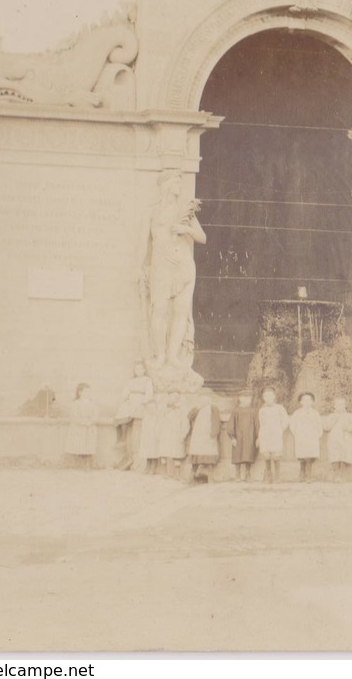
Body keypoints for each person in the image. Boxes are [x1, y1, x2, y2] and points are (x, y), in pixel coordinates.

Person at [139, 171, 206, 370]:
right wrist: (139, 268)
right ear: (166, 185)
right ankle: (159, 354)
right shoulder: (153, 211)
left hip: (184, 264)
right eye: (176, 183)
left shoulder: (185, 211)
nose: (179, 187)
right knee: (159, 309)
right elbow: (144, 242)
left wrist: (186, 230)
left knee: (180, 311)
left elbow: (202, 237)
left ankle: (172, 355)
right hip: (161, 264)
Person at [114, 360, 154, 471]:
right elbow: (125, 393)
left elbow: (149, 395)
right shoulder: (131, 381)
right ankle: (121, 438)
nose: (138, 371)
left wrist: (142, 403)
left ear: (144, 370)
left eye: (140, 369)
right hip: (131, 401)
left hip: (141, 402)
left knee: (137, 424)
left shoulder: (147, 381)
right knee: (122, 413)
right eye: (136, 369)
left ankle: (135, 459)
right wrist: (126, 400)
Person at [257, 386, 289, 484]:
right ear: (263, 398)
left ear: (274, 397)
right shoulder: (262, 410)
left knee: (276, 455)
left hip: (276, 434)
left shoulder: (279, 408)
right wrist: (260, 437)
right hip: (265, 434)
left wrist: (280, 429)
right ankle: (268, 475)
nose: (268, 398)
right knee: (266, 455)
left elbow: (285, 420)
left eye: (270, 396)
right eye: (266, 396)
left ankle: (277, 476)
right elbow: (261, 423)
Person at [289, 392, 324, 482]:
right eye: (304, 400)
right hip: (301, 437)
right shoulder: (297, 413)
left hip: (312, 437)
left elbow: (319, 425)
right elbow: (292, 425)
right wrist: (297, 434)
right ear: (301, 402)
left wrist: (317, 435)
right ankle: (302, 473)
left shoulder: (315, 413)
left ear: (312, 402)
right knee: (302, 456)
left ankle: (308, 475)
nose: (307, 402)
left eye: (309, 400)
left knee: (310, 456)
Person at [323, 397, 352, 480]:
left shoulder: (349, 416)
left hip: (346, 438)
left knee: (345, 454)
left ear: (345, 406)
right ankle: (336, 473)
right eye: (338, 404)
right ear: (335, 406)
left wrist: (348, 427)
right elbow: (326, 427)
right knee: (335, 455)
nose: (340, 406)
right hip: (334, 438)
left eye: (342, 404)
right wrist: (333, 421)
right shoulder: (331, 416)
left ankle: (342, 474)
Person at [187, 396, 221, 483]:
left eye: (206, 398)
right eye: (202, 398)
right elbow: (189, 416)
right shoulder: (198, 408)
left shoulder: (213, 408)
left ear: (210, 399)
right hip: (198, 436)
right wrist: (198, 407)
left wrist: (214, 432)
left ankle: (210, 477)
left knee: (209, 456)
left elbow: (216, 421)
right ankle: (191, 476)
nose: (204, 400)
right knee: (196, 456)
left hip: (208, 436)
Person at [226, 390, 258, 482]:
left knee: (249, 454)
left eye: (248, 398)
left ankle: (248, 474)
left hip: (250, 436)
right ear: (240, 399)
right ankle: (237, 474)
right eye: (244, 397)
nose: (246, 400)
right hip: (238, 437)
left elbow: (257, 424)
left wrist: (258, 437)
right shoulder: (236, 411)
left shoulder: (253, 411)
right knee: (238, 454)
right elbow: (231, 424)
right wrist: (232, 437)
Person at [65, 383, 98, 469]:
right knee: (80, 444)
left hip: (89, 426)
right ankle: (82, 463)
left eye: (89, 391)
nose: (88, 393)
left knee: (89, 444)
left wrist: (90, 422)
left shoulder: (93, 403)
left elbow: (95, 415)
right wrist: (83, 422)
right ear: (80, 392)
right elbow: (74, 416)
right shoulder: (76, 403)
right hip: (79, 427)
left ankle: (88, 463)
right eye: (86, 391)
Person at [158, 391, 190, 478]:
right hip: (165, 434)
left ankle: (177, 473)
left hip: (176, 434)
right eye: (171, 397)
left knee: (177, 453)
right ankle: (164, 472)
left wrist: (183, 434)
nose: (173, 399)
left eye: (176, 397)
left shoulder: (182, 410)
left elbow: (185, 423)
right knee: (164, 452)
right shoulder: (164, 409)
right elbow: (159, 421)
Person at [138, 396, 162, 474]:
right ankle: (147, 466)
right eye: (149, 408)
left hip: (154, 437)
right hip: (147, 437)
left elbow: (158, 427)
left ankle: (153, 467)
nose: (151, 410)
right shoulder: (146, 417)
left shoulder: (157, 417)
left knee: (154, 452)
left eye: (153, 408)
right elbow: (144, 428)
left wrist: (157, 435)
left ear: (156, 408)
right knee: (147, 452)